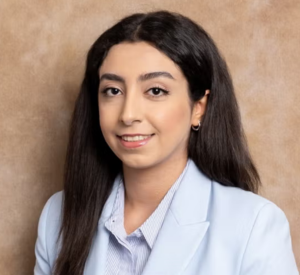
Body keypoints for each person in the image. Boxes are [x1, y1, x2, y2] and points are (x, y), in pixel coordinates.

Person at [34, 10, 299, 275]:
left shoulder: (254, 225)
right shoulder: (57, 216)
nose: (128, 115)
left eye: (155, 91)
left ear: (199, 107)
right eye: (113, 91)